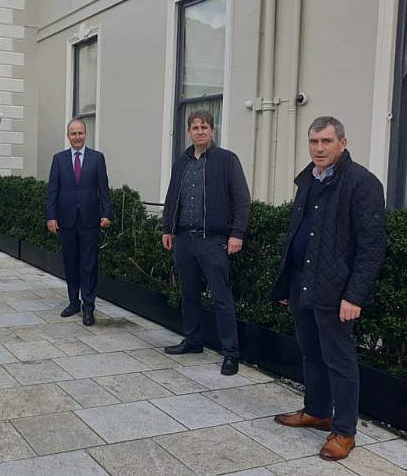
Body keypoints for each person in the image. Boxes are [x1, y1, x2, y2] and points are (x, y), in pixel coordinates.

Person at [271, 116, 386, 461]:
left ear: (343, 143)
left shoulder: (362, 183)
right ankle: (317, 411)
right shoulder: (308, 179)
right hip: (302, 282)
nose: (318, 148)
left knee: (339, 359)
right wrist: (288, 282)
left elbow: (372, 246)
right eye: (313, 142)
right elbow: (299, 232)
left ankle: (345, 431)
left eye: (326, 141)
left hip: (336, 291)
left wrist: (354, 295)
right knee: (311, 352)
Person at [161, 110, 250, 376]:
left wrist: (237, 233)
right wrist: (167, 228)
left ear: (212, 131)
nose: (200, 131)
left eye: (204, 127)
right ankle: (193, 340)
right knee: (188, 294)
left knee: (221, 298)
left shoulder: (227, 160)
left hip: (213, 240)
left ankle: (230, 353)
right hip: (184, 239)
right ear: (189, 131)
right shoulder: (182, 162)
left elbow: (242, 199)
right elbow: (171, 196)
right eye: (195, 127)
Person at [46, 119, 112, 326]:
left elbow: (104, 189)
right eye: (73, 134)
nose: (76, 137)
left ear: (86, 134)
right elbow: (52, 191)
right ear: (68, 136)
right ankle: (73, 302)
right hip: (66, 221)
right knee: (71, 263)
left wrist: (106, 213)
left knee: (89, 265)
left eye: (80, 133)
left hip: (90, 220)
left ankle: (89, 307)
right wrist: (51, 216)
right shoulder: (58, 159)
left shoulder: (97, 158)